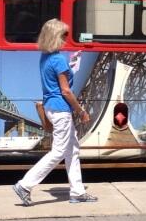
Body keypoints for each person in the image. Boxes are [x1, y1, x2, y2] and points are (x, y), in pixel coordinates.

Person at [12, 19, 97, 206]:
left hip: (51, 106)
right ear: (56, 36)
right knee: (58, 152)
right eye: (64, 34)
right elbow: (66, 90)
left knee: (73, 150)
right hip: (61, 109)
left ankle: (77, 192)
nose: (67, 38)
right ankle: (24, 185)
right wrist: (81, 111)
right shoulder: (59, 59)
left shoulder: (45, 56)